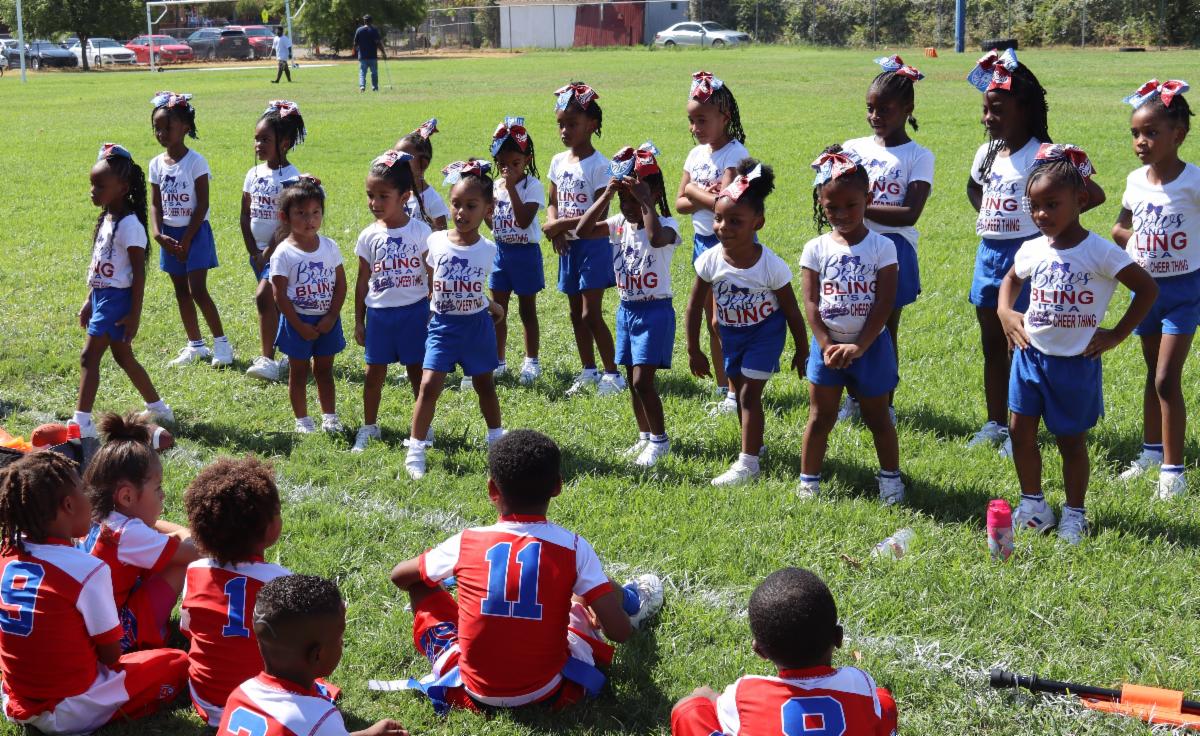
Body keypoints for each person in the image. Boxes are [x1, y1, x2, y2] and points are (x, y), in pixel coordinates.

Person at [389, 430, 663, 713]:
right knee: (585, 592)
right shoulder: (573, 547)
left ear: (492, 489)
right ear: (557, 486)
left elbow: (399, 575)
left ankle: (457, 639)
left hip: (469, 692)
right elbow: (619, 633)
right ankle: (633, 601)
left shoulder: (467, 542)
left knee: (420, 582)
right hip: (551, 692)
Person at [999, 145, 1157, 543]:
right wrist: (1005, 312)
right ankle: (1033, 504)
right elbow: (1012, 279)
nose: (1041, 215)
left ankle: (1074, 513)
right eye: (1034, 206)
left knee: (1071, 443)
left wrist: (1117, 334)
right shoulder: (1034, 248)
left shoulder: (1100, 251)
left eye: (1052, 205)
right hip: (1029, 357)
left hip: (1075, 363)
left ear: (1080, 201)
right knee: (1019, 431)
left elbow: (1147, 289)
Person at [964, 49, 1106, 456]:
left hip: (1026, 261)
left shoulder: (1045, 154)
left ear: (1024, 109)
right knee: (992, 342)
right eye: (985, 109)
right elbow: (974, 187)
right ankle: (995, 422)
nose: (987, 118)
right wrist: (993, 214)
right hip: (988, 256)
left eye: (997, 110)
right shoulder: (987, 153)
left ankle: (1019, 430)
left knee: (1022, 344)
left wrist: (1047, 226)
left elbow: (1093, 193)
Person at [0, 452, 188, 734]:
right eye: (83, 491)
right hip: (70, 707)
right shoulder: (86, 569)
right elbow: (111, 655)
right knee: (176, 662)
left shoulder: (6, 556)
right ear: (69, 505)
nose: (91, 499)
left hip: (15, 698)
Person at [685, 159, 808, 487]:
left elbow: (792, 311)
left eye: (735, 221)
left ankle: (748, 464)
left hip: (764, 334)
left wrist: (802, 349)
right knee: (741, 393)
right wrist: (694, 349)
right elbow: (694, 306)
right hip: (731, 335)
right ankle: (754, 445)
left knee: (749, 396)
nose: (723, 227)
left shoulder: (771, 266)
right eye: (718, 218)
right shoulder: (710, 260)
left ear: (758, 223)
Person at [670, 567, 897, 736]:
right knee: (883, 702)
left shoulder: (744, 693)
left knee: (687, 709)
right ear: (838, 638)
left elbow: (719, 712)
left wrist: (708, 698)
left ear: (759, 651)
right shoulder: (859, 684)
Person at [799, 147, 902, 503]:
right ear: (820, 202)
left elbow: (884, 303)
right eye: (832, 207)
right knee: (820, 416)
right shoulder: (815, 248)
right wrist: (825, 344)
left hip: (870, 347)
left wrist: (860, 345)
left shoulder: (883, 247)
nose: (841, 214)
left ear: (868, 199)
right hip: (826, 348)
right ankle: (808, 482)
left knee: (878, 417)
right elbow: (811, 302)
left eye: (851, 205)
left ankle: (891, 480)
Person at [1112, 79, 1199, 499]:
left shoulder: (1193, 182)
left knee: (1167, 378)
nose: (1140, 142)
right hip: (1145, 290)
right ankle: (1150, 452)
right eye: (1135, 133)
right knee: (1152, 374)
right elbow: (1120, 226)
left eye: (1150, 132)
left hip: (1184, 293)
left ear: (1177, 135)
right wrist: (1134, 242)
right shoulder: (1135, 181)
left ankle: (1173, 472)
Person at [840, 55, 934, 423]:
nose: (875, 116)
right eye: (870, 108)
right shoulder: (853, 148)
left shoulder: (918, 155)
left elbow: (909, 213)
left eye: (885, 109)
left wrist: (858, 207)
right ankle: (853, 399)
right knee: (849, 323)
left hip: (894, 251)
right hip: (854, 247)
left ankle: (885, 404)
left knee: (883, 329)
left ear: (908, 109)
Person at [577, 143, 681, 467]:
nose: (629, 206)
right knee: (632, 382)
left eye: (634, 199)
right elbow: (582, 231)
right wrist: (608, 196)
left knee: (642, 381)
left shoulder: (667, 226)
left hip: (655, 312)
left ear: (654, 194)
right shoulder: (618, 224)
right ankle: (644, 436)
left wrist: (646, 201)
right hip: (627, 310)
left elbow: (655, 239)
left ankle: (660, 441)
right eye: (625, 200)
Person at [404, 160, 505, 480]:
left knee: (484, 385)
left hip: (476, 328)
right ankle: (416, 449)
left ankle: (496, 441)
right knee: (428, 385)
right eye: (456, 204)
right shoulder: (436, 241)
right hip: (443, 327)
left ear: (488, 209)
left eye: (471, 206)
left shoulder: (489, 249)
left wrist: (490, 304)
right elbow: (434, 281)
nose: (461, 212)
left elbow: (474, 286)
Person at [180, 456, 296, 726]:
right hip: (262, 707)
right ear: (270, 529)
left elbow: (188, 630)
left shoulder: (195, 571)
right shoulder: (281, 581)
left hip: (206, 699)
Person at [217, 575, 408, 736]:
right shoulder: (320, 718)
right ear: (317, 655)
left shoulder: (241, 694)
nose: (342, 643)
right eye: (340, 638)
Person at [74, 143, 172, 440]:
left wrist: (134, 314)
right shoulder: (106, 219)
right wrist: (89, 300)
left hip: (117, 301)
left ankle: (81, 423)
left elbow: (138, 274)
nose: (93, 191)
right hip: (102, 297)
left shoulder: (131, 226)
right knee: (123, 356)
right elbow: (100, 266)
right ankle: (159, 408)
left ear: (123, 188)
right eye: (92, 184)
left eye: (100, 186)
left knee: (89, 357)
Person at [82, 412, 199, 652]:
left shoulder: (101, 516)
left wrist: (173, 535)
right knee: (177, 564)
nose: (162, 495)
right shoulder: (128, 534)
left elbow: (154, 530)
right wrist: (184, 532)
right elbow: (195, 552)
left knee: (164, 554)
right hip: (113, 637)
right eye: (157, 488)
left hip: (88, 628)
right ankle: (151, 634)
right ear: (126, 496)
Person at [543, 82, 626, 397]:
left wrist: (559, 225)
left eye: (572, 124)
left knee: (591, 313)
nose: (564, 130)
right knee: (575, 313)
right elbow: (552, 200)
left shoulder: (600, 166)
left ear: (592, 124)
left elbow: (598, 214)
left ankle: (613, 374)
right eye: (560, 124)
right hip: (568, 247)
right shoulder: (557, 161)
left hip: (593, 246)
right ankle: (589, 370)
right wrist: (555, 227)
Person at [677, 71, 749, 416]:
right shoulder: (696, 156)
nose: (695, 128)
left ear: (725, 117)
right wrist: (700, 195)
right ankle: (725, 388)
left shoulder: (735, 154)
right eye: (691, 121)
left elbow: (725, 202)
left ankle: (737, 391)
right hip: (701, 242)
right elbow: (679, 203)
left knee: (726, 320)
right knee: (712, 319)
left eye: (702, 120)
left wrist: (695, 191)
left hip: (729, 246)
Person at [352, 150, 433, 454]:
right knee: (373, 374)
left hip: (415, 313)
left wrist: (433, 309)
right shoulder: (368, 236)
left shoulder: (421, 232)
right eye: (370, 195)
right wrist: (359, 320)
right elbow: (362, 280)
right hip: (380, 315)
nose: (375, 203)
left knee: (417, 373)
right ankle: (369, 426)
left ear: (404, 197)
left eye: (383, 196)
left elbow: (432, 274)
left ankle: (422, 428)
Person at [149, 91, 233, 369]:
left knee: (197, 289)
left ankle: (222, 344)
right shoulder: (155, 164)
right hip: (169, 235)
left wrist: (186, 239)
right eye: (157, 128)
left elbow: (202, 204)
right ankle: (195, 345)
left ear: (185, 127)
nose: (161, 133)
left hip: (195, 233)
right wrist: (157, 234)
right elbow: (155, 203)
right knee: (180, 291)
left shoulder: (196, 162)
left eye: (167, 127)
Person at [270, 175, 348, 434]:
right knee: (299, 372)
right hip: (297, 321)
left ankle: (330, 417)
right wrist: (299, 325)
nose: (309, 219)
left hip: (327, 321)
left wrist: (331, 316)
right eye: (301, 213)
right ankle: (302, 420)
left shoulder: (330, 247)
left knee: (324, 370)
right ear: (285, 217)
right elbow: (280, 295)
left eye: (316, 212)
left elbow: (341, 285)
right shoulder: (283, 253)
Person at [242, 100, 305, 383]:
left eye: (265, 139)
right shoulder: (253, 174)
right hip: (257, 253)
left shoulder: (292, 178)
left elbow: (286, 223)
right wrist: (252, 250)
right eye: (256, 139)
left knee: (264, 296)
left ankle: (267, 359)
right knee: (277, 302)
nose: (259, 144)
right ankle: (292, 354)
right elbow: (245, 213)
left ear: (285, 143)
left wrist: (267, 252)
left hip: (279, 252)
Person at [488, 116, 546, 385]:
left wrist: (511, 188)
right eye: (502, 164)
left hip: (525, 254)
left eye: (515, 163)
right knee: (497, 310)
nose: (508, 169)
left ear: (527, 159)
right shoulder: (495, 186)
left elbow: (523, 221)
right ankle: (498, 361)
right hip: (500, 253)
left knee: (527, 310)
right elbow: (493, 223)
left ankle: (531, 361)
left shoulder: (531, 186)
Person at [395, 118, 448, 230]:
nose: (397, 164)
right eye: (395, 158)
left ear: (423, 164)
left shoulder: (433, 200)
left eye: (404, 159)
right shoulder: (394, 195)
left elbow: (442, 236)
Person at [352, 14, 384, 93]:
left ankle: (362, 87)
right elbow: (378, 43)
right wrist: (383, 52)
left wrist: (354, 50)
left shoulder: (359, 30)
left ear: (364, 21)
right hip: (372, 56)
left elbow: (355, 43)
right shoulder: (374, 30)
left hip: (362, 56)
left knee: (362, 73)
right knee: (374, 73)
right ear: (371, 21)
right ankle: (375, 88)